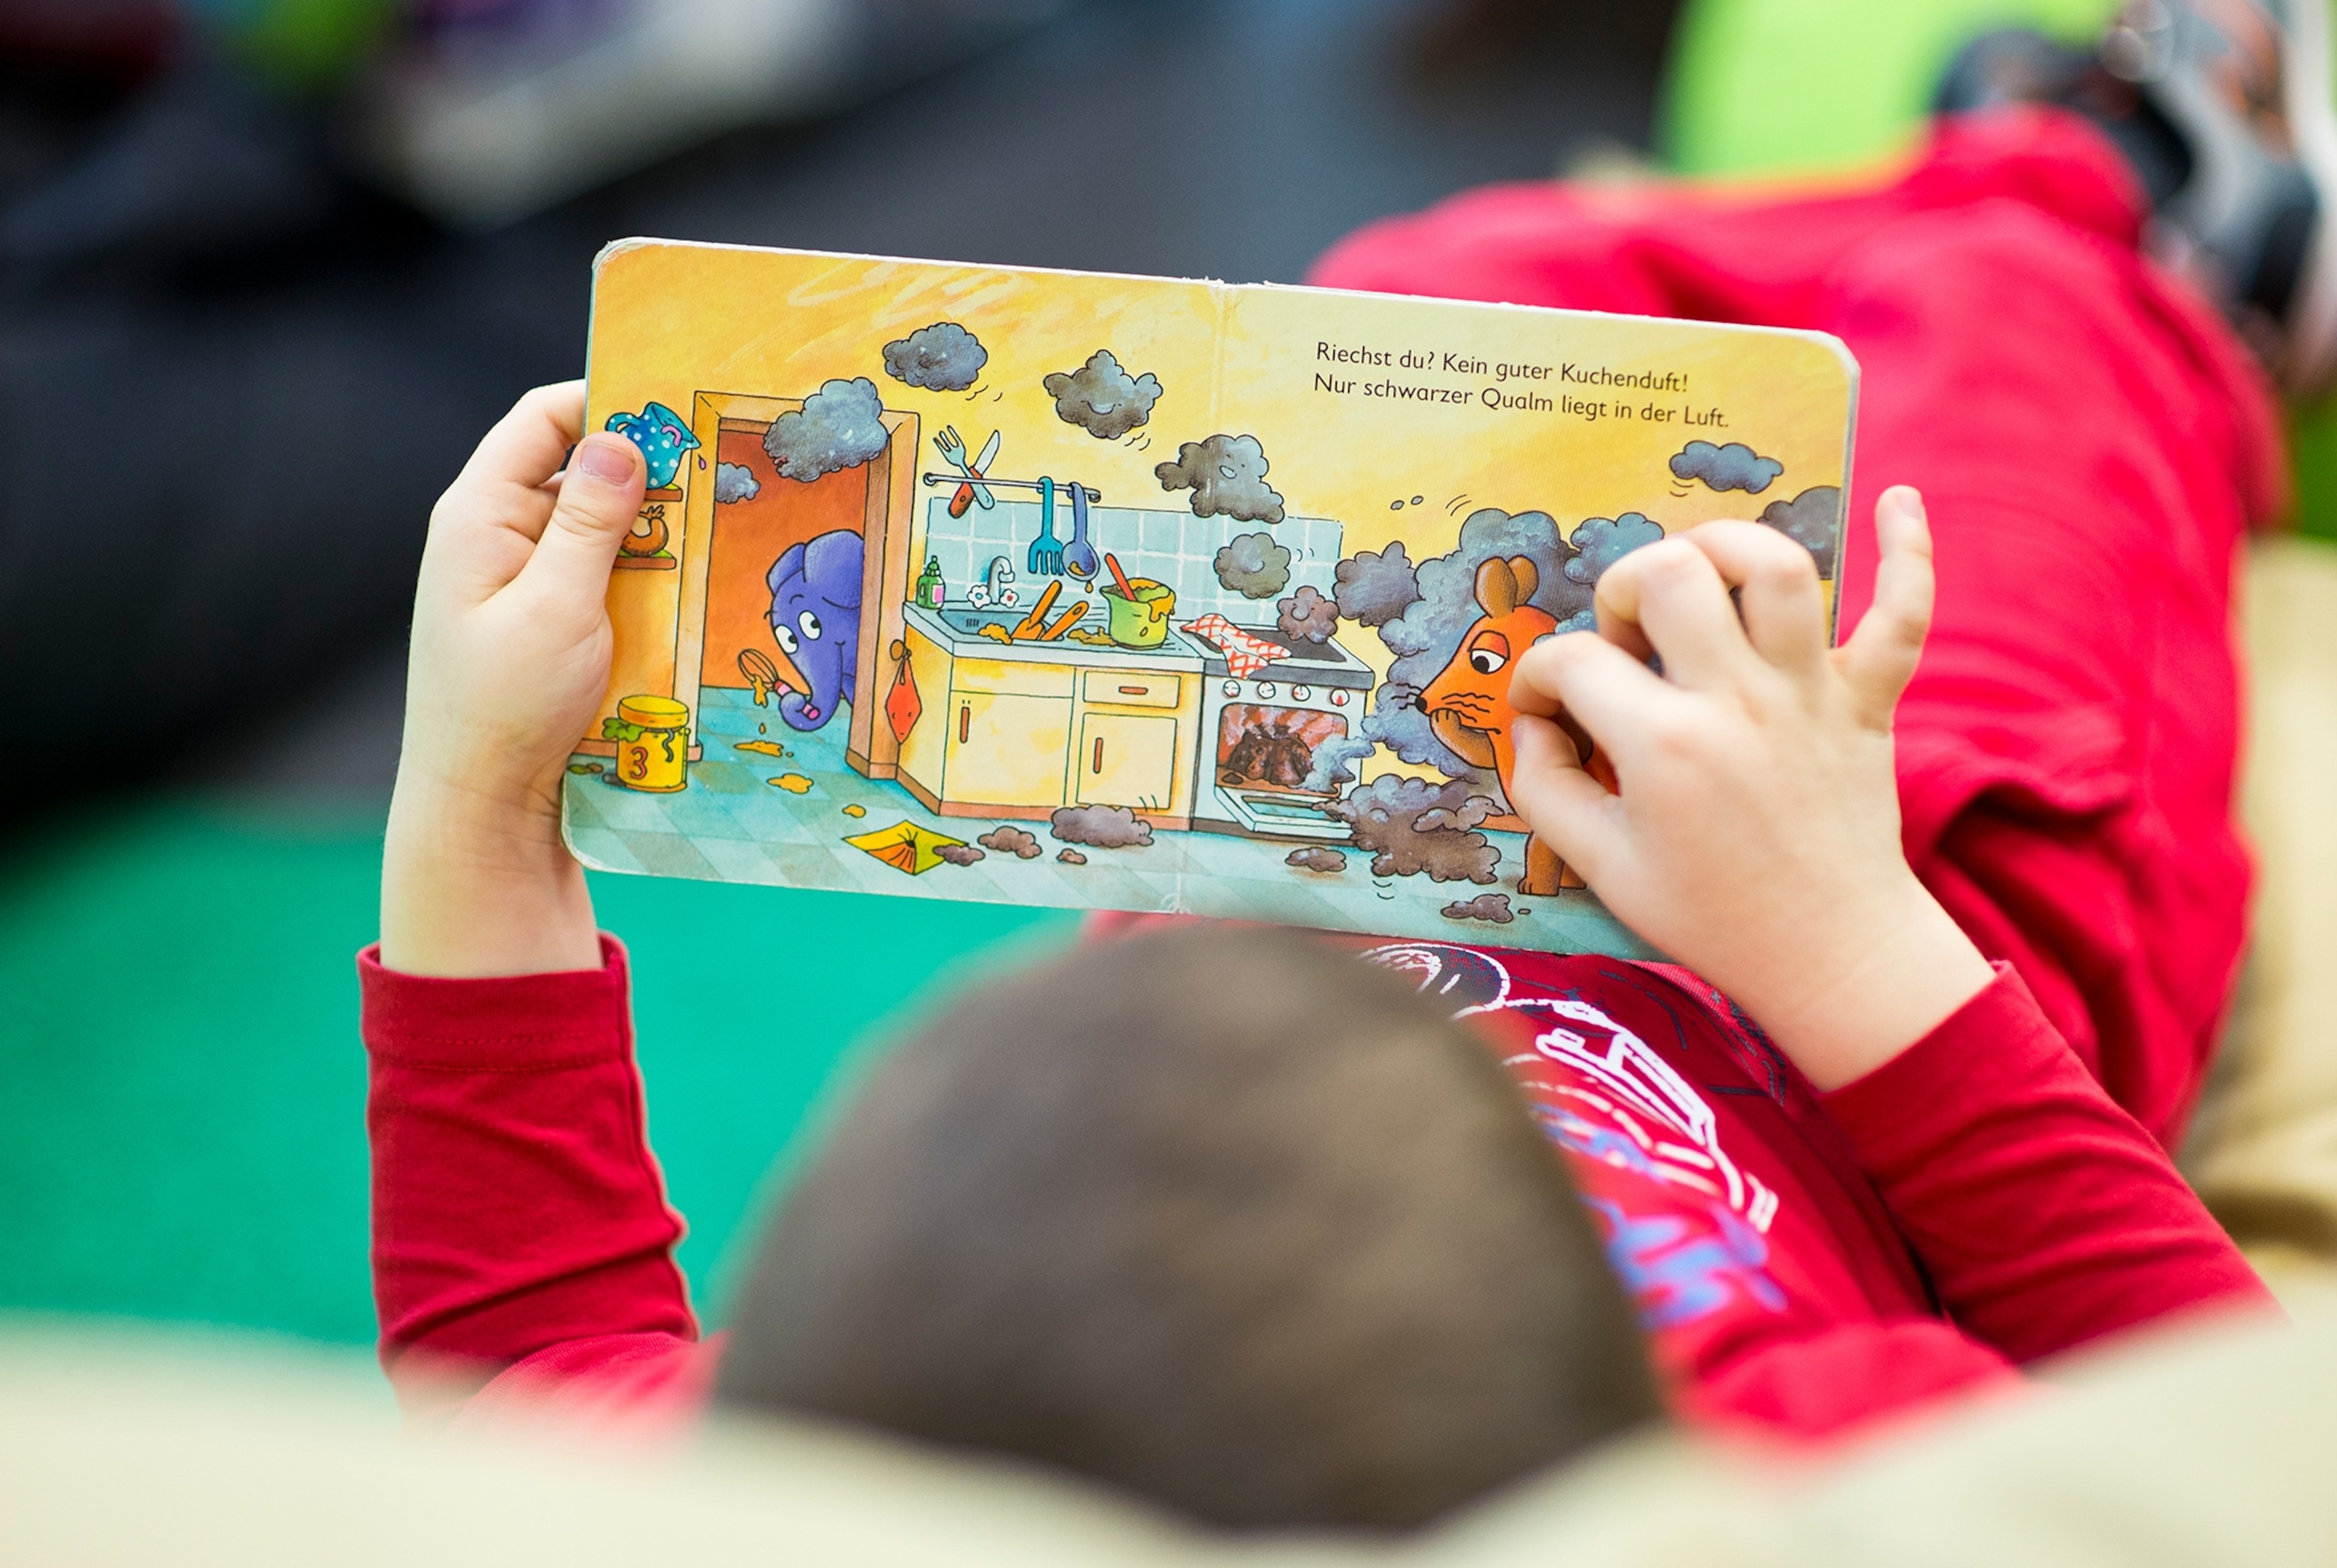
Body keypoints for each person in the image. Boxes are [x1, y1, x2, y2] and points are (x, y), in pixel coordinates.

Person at [361, 0, 2311, 1531]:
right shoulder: (1784, 1459)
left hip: (1395, 823)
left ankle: (1972, 189)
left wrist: (474, 793)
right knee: (2020, 361)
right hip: (1889, 922)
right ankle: (2125, 205)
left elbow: (527, 1360)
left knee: (1440, 275)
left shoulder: (845, 1480)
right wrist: (1840, 932)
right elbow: (2230, 1432)